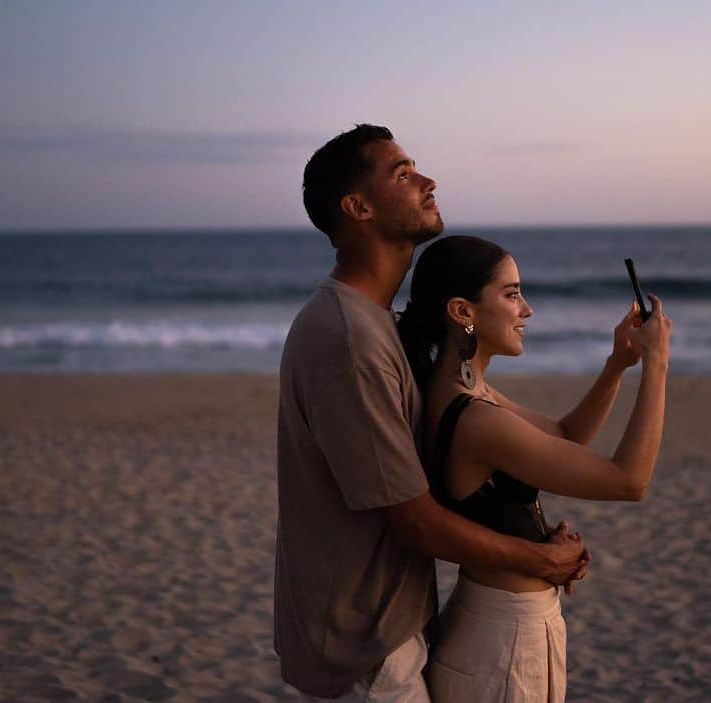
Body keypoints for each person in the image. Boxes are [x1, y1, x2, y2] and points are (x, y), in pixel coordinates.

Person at [273, 126, 589, 701]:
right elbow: (412, 518)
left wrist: (535, 540)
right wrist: (543, 560)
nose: (427, 181)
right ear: (358, 207)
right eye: (402, 173)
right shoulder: (350, 341)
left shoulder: (379, 325)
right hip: (365, 650)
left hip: (394, 625)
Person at [396, 234, 672, 703]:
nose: (527, 310)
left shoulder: (463, 392)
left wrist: (618, 364)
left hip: (499, 629)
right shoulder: (476, 416)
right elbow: (630, 481)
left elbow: (562, 437)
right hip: (503, 641)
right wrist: (658, 363)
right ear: (462, 312)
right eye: (511, 294)